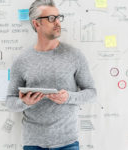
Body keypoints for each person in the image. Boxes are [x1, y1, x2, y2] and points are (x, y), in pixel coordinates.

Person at [5, 0, 97, 149]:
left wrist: (68, 97)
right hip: (33, 143)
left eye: (58, 17)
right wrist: (25, 103)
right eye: (51, 18)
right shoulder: (21, 61)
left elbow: (92, 93)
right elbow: (10, 101)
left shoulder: (74, 55)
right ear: (36, 24)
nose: (57, 22)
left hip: (67, 143)